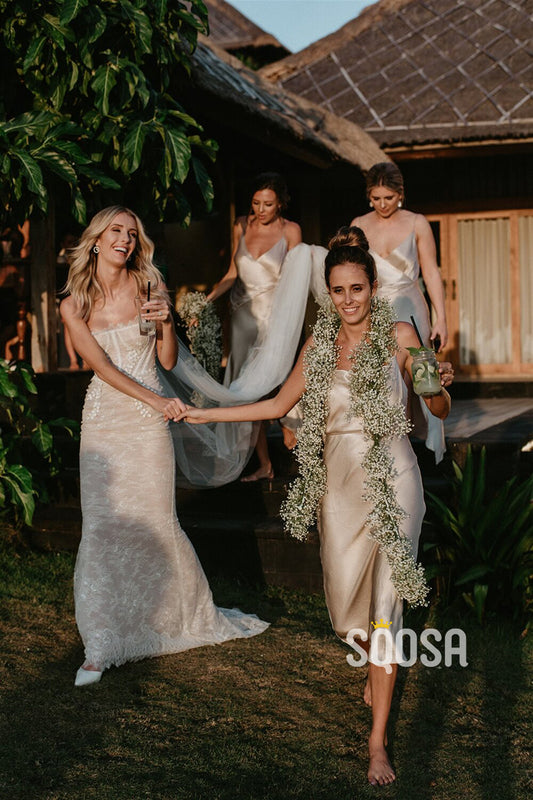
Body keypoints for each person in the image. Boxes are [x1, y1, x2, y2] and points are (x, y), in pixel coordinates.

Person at [167, 228, 453, 786]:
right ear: (329, 293)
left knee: (386, 609)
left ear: (373, 288)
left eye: (357, 288)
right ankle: (372, 658)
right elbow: (277, 403)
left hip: (395, 478)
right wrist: (203, 414)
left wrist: (436, 382)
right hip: (340, 485)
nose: (349, 299)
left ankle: (377, 741)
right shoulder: (319, 346)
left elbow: (437, 405)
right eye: (338, 290)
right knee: (346, 611)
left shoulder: (399, 334)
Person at [60, 206, 269, 687]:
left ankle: (170, 620)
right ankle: (100, 644)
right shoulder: (74, 303)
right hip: (105, 421)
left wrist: (168, 322)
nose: (125, 240)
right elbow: (102, 368)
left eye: (132, 234)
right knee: (103, 527)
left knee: (158, 521)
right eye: (116, 231)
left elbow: (168, 360)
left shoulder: (149, 286)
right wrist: (155, 399)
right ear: (97, 240)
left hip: (149, 426)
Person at [206, 172, 302, 481]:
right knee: (247, 390)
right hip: (242, 320)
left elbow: (296, 281)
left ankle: (291, 431)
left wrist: (289, 320)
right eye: (256, 203)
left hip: (275, 318)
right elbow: (232, 273)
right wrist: (206, 301)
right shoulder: (241, 226)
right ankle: (264, 464)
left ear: (280, 204)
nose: (260, 210)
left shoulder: (291, 231)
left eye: (268, 204)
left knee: (276, 381)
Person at [351, 161, 448, 461]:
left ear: (401, 194)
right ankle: (382, 448)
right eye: (376, 198)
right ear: (369, 196)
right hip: (375, 310)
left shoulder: (417, 223)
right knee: (382, 379)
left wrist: (442, 318)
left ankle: (403, 451)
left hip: (410, 307)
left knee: (410, 378)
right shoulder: (359, 223)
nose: (383, 204)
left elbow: (431, 271)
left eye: (389, 198)